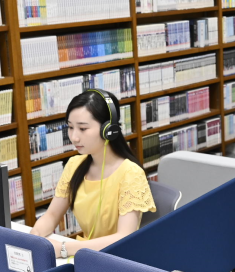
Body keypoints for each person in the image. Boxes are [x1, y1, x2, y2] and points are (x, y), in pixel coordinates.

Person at [31, 89, 155, 258]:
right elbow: (52, 215)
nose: (74, 137)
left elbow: (124, 237)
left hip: (118, 260)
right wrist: (34, 238)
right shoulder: (75, 165)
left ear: (108, 129)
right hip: (85, 256)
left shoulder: (131, 174)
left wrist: (63, 248)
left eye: (82, 128)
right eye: (70, 127)